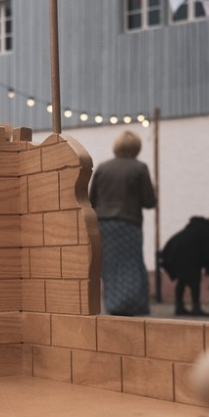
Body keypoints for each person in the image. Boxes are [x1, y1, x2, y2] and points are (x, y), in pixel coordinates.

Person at [90, 131, 157, 316]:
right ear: (137, 148)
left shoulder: (103, 168)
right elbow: (149, 201)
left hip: (104, 226)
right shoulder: (140, 168)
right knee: (131, 265)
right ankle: (131, 304)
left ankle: (113, 305)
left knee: (109, 266)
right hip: (129, 224)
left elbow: (91, 199)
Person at [159, 216, 209, 317]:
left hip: (173, 253)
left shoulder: (194, 228)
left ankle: (179, 306)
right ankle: (196, 307)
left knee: (182, 280)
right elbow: (208, 251)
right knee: (194, 281)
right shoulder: (208, 231)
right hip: (187, 256)